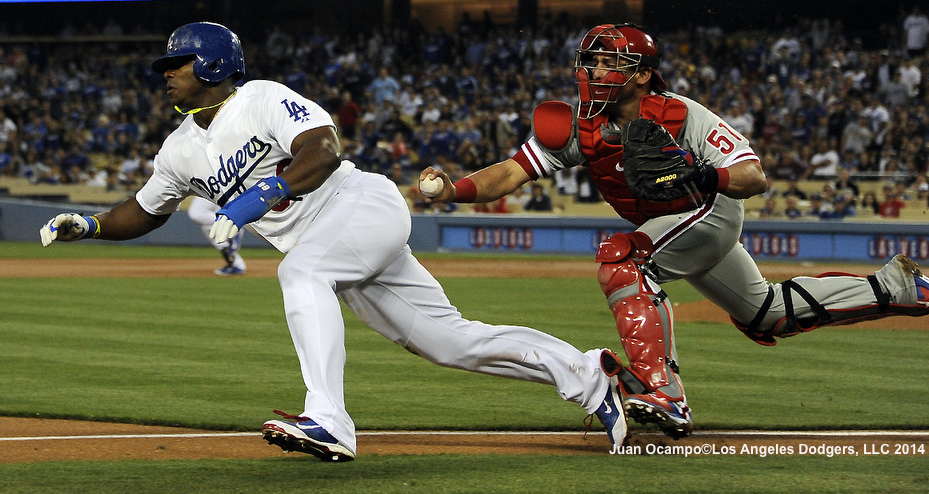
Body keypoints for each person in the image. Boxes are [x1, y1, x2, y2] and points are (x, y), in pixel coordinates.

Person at [38, 22, 627, 462]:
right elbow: (143, 211)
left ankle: (330, 421)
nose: (166, 72)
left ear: (214, 64)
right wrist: (90, 223)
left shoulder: (260, 98)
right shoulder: (178, 148)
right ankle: (590, 376)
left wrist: (252, 200)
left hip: (359, 206)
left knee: (301, 274)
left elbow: (323, 148)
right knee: (451, 343)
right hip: (328, 243)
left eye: (178, 62)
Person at [420, 23, 929, 440]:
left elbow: (753, 176)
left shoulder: (681, 115)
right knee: (766, 313)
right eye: (592, 59)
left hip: (710, 210)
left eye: (611, 62)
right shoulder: (576, 124)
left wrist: (703, 171)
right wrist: (452, 190)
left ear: (640, 73)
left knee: (623, 258)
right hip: (676, 225)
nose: (595, 70)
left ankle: (665, 393)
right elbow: (508, 175)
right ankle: (900, 288)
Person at [187, 196, 246, 275]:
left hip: (210, 185)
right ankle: (236, 264)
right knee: (211, 229)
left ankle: (232, 223)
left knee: (197, 214)